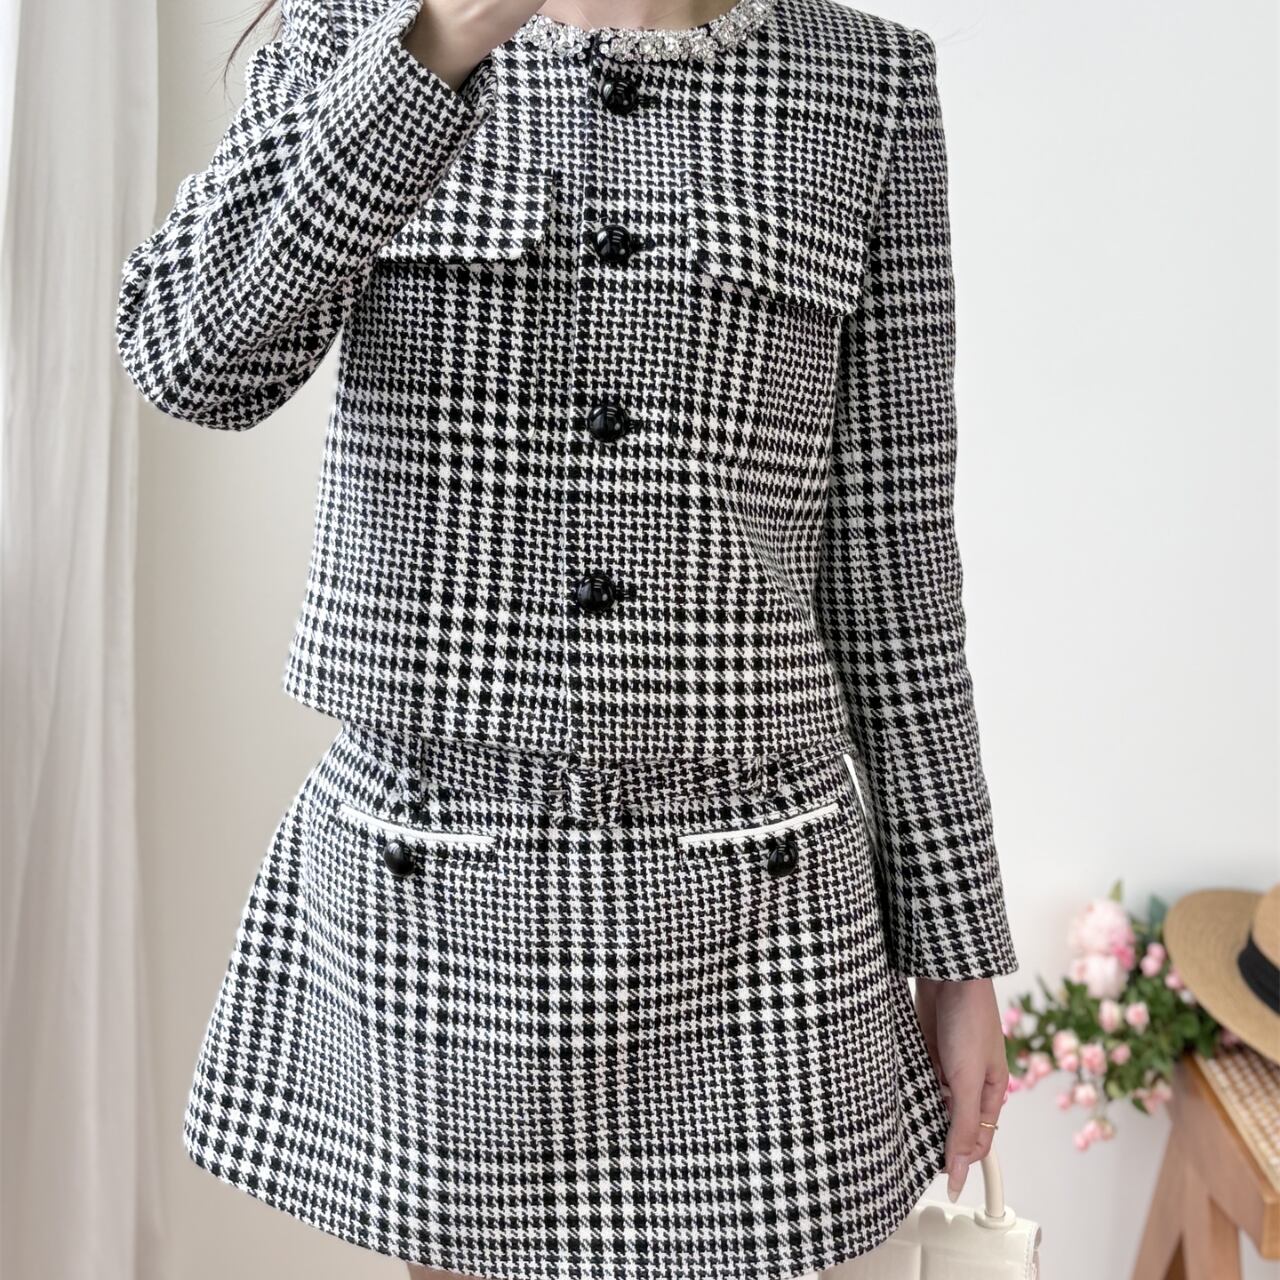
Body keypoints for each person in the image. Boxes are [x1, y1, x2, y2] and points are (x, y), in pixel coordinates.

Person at [114, 0, 1021, 1277]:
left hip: (751, 912)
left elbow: (894, 556)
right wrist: (436, 47)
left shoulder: (863, 81)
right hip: (443, 892)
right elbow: (191, 359)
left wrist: (956, 952)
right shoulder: (358, 32)